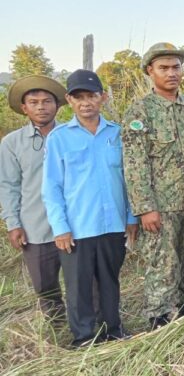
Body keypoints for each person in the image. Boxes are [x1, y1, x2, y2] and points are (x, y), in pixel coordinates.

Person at [41, 70, 138, 347]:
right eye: (79, 97)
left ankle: (113, 330)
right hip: (78, 227)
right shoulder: (59, 138)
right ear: (69, 100)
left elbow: (129, 179)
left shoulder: (117, 134)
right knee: (78, 285)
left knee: (110, 281)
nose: (86, 103)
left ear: (103, 98)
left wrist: (131, 217)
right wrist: (60, 227)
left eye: (92, 96)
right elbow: (51, 188)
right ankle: (84, 337)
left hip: (113, 224)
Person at [122, 42, 184, 329]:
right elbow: (135, 164)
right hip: (161, 208)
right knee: (162, 265)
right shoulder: (140, 112)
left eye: (176, 67)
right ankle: (158, 321)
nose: (171, 73)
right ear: (150, 71)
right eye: (164, 68)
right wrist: (145, 208)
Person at [0, 75, 67, 321]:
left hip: (74, 224)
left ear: (57, 105)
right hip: (35, 226)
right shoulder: (12, 143)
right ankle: (57, 327)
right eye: (34, 102)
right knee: (45, 286)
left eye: (47, 101)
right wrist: (13, 223)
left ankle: (88, 329)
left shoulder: (71, 134)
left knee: (84, 280)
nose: (41, 107)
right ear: (24, 108)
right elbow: (8, 185)